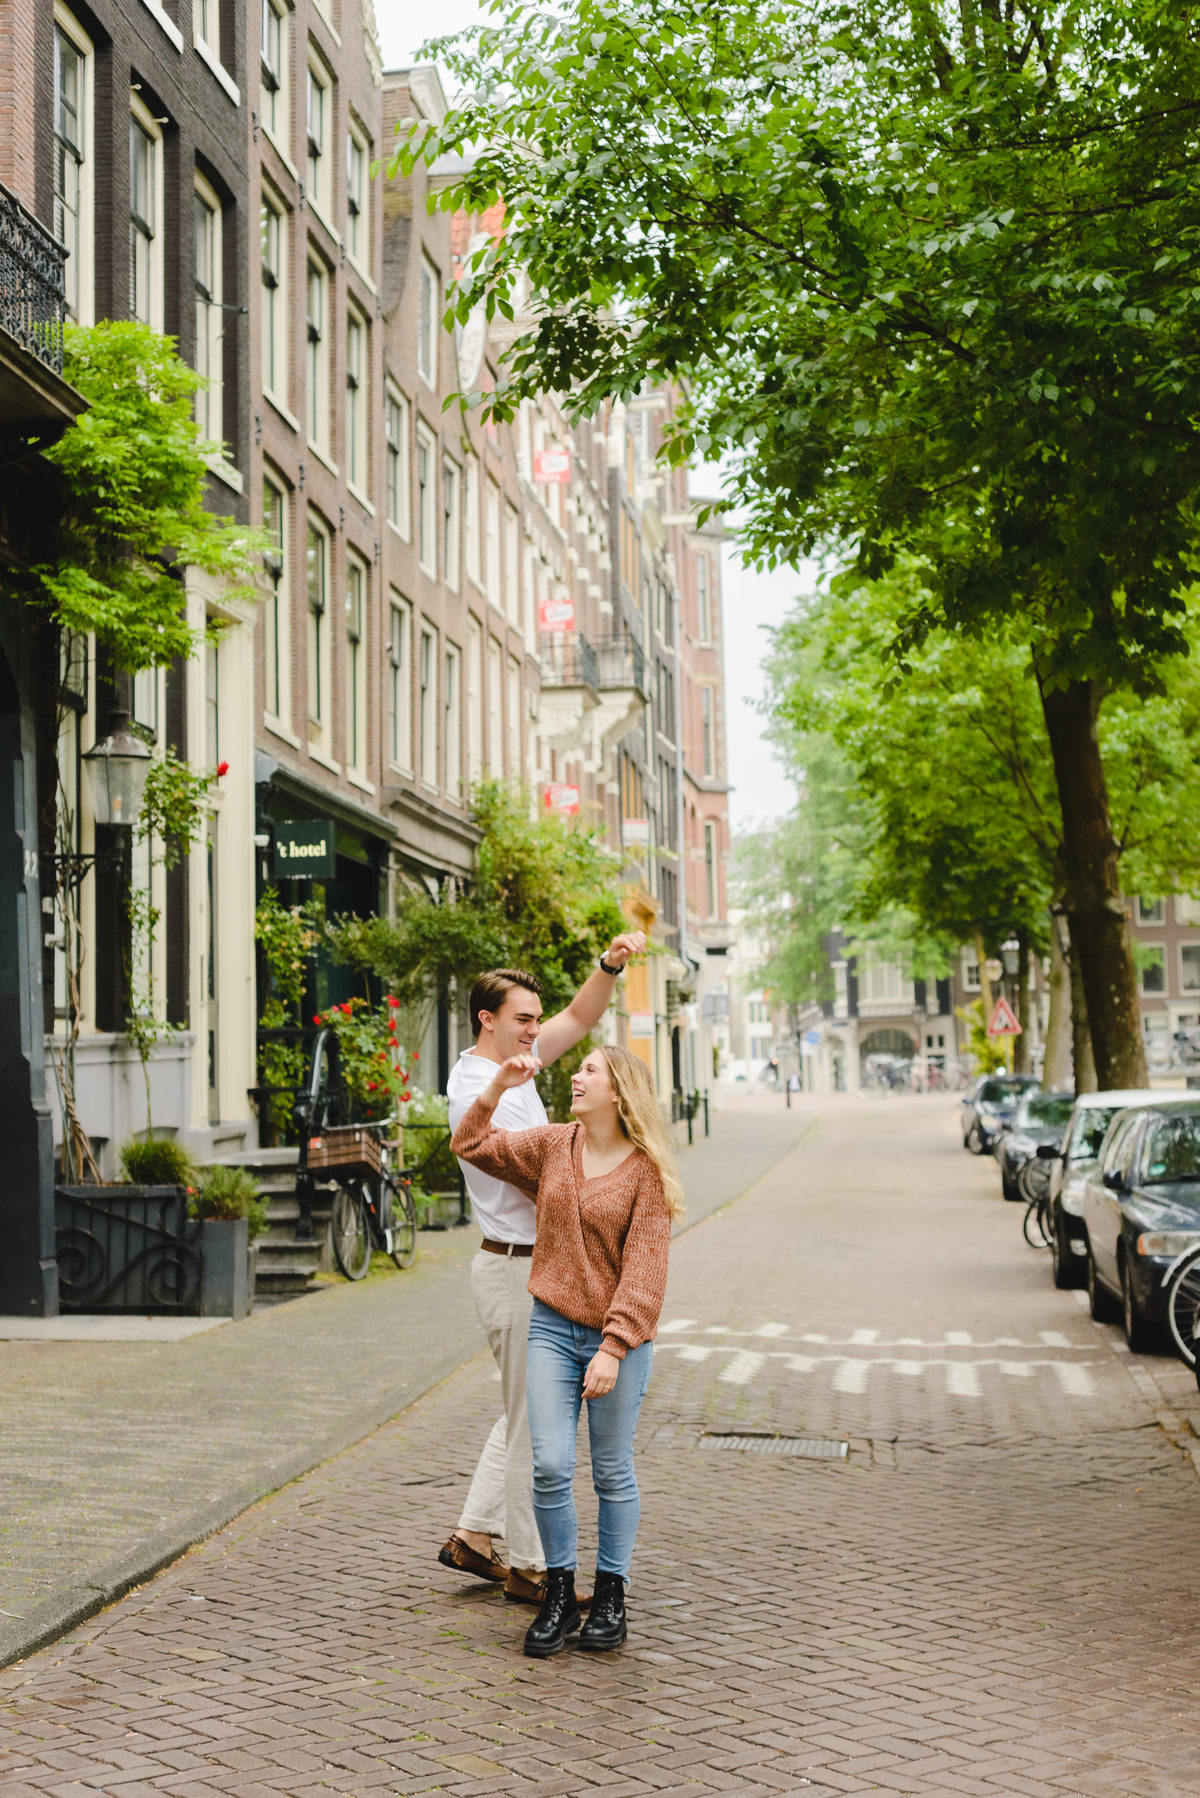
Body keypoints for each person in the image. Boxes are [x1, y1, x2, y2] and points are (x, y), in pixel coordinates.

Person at [451, 1042, 683, 1658]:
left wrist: (612, 1347)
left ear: (618, 1092)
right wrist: (496, 1088)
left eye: (589, 1070)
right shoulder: (554, 1146)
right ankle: (557, 1592)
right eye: (578, 1069)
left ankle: (611, 1594)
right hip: (551, 1327)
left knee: (610, 1470)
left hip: (618, 1341)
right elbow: (471, 1146)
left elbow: (645, 1271)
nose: (575, 1077)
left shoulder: (646, 1174)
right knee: (550, 1465)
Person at [439, 939, 645, 1607]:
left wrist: (610, 965)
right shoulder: (479, 1085)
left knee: (524, 1413)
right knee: (537, 1425)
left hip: (532, 1264)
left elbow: (580, 1019)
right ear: (486, 1020)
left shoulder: (517, 1064)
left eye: (536, 1018)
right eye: (524, 1018)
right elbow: (515, 1167)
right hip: (516, 1268)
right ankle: (531, 1566)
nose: (537, 1028)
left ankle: (475, 1534)